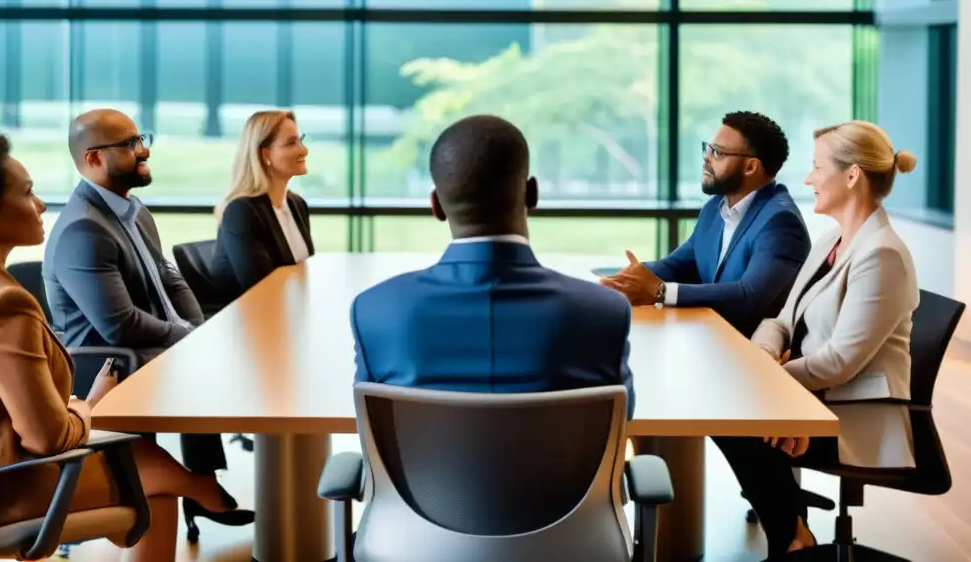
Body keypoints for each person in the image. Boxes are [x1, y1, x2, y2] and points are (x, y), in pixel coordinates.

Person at [0, 125, 245, 561]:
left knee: (150, 467)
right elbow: (47, 439)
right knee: (154, 478)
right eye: (27, 192)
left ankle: (198, 485)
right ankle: (199, 486)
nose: (41, 204)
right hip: (7, 493)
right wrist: (88, 403)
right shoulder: (4, 304)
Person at [43, 109, 254, 541]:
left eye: (141, 138)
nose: (145, 150)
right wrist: (191, 340)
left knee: (228, 355)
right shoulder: (84, 228)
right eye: (130, 144)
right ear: (94, 159)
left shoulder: (133, 210)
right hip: (104, 363)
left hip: (139, 349)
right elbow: (118, 324)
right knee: (234, 367)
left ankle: (200, 478)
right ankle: (200, 482)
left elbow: (169, 277)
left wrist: (194, 330)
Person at [716, 121, 919, 556]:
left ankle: (790, 536)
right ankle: (792, 530)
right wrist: (766, 359)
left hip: (855, 410)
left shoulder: (881, 254)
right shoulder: (831, 240)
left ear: (851, 176)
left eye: (815, 167)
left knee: (733, 416)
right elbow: (780, 320)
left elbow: (841, 361)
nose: (807, 179)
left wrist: (770, 386)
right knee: (731, 409)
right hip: (813, 396)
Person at [350, 114, 634, 416]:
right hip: (559, 466)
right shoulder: (605, 312)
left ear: (436, 206)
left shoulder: (374, 311)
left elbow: (370, 423)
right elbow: (622, 417)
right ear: (533, 194)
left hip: (431, 466)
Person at [602, 111, 811, 337]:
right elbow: (677, 265)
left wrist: (661, 292)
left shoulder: (780, 222)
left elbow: (748, 297)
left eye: (718, 153)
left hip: (755, 356)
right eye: (709, 148)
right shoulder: (714, 209)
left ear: (750, 167)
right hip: (712, 340)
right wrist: (622, 281)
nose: (706, 157)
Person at [210, 109, 314, 302]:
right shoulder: (242, 211)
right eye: (292, 143)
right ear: (265, 154)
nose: (304, 150)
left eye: (301, 140)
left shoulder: (296, 204)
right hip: (247, 322)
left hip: (289, 310)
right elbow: (261, 288)